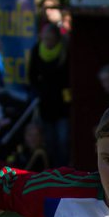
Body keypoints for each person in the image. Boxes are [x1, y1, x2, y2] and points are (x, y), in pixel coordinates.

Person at [27, 23, 70, 167]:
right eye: (45, 38)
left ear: (57, 38)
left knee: (63, 140)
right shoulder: (37, 51)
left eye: (50, 38)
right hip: (45, 104)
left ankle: (64, 170)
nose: (48, 42)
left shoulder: (65, 52)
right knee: (49, 141)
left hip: (63, 105)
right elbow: (32, 76)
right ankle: (52, 171)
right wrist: (39, 92)